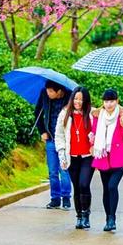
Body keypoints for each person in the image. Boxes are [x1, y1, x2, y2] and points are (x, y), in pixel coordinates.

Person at [91, 89, 123, 232]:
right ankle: (108, 218)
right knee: (105, 188)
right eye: (106, 101)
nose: (109, 104)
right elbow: (95, 132)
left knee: (111, 186)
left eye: (112, 101)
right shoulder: (98, 116)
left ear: (117, 101)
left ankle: (112, 218)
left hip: (119, 158)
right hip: (104, 156)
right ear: (103, 102)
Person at [55, 87, 95, 229]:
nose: (78, 101)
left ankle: (86, 215)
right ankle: (79, 216)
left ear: (86, 100)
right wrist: (62, 154)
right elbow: (59, 136)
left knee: (84, 184)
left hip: (88, 156)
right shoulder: (65, 114)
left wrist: (94, 139)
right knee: (77, 187)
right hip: (72, 157)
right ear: (72, 99)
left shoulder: (91, 114)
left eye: (81, 99)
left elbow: (100, 130)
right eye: (76, 98)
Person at [34, 80, 71, 209]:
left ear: (59, 91)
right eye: (47, 90)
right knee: (52, 171)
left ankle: (66, 197)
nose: (48, 93)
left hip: (65, 140)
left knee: (64, 169)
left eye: (51, 91)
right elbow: (37, 112)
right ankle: (55, 198)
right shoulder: (44, 94)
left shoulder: (69, 97)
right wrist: (42, 131)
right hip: (50, 138)